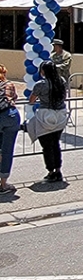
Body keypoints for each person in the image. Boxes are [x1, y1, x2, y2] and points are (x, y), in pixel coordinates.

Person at [30, 60, 68, 183]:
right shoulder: (61, 81)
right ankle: (58, 170)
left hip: (45, 116)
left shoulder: (40, 84)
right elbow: (64, 97)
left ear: (43, 71)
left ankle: (51, 171)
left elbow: (32, 99)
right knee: (56, 144)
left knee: (47, 146)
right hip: (60, 115)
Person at [0, 64, 21, 194]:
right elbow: (14, 98)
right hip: (9, 115)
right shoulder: (8, 84)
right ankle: (3, 184)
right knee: (7, 151)